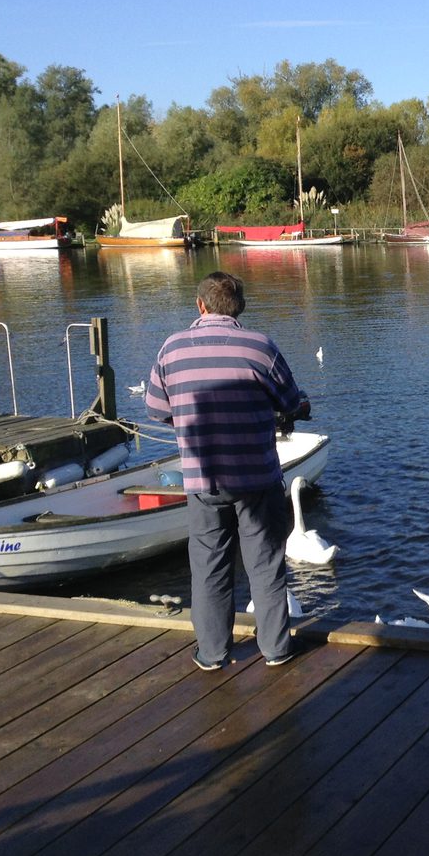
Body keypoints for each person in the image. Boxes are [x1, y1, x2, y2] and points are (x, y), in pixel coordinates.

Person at [146, 271, 311, 671]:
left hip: (202, 479)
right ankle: (275, 648)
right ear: (240, 308)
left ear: (200, 306)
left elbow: (156, 409)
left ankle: (213, 652)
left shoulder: (171, 348)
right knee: (265, 563)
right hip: (257, 479)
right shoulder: (261, 347)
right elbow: (291, 401)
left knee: (208, 566)